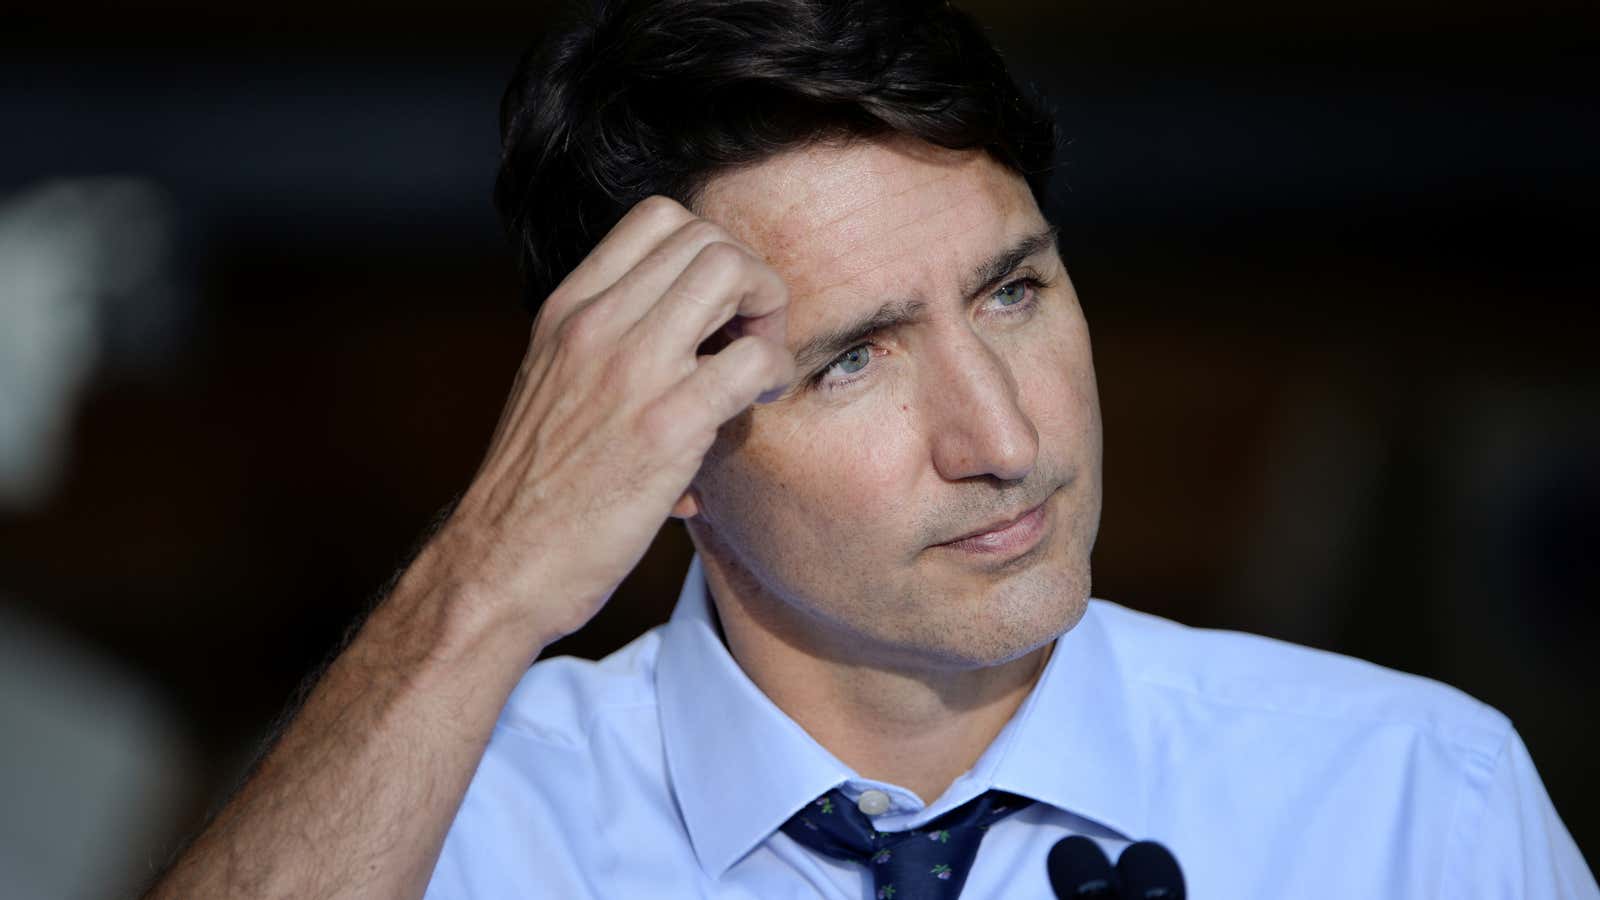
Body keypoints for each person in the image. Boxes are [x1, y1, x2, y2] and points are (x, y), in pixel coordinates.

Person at [145, 1, 1596, 897]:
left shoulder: (1412, 799)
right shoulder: (449, 827)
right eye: (854, 358)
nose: (1003, 438)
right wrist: (485, 583)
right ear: (657, 445)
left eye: (1013, 292)